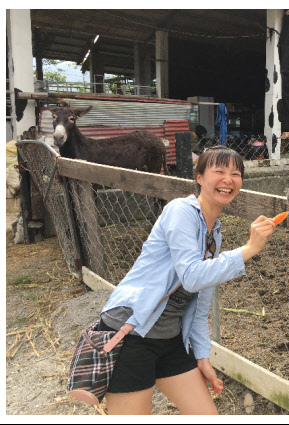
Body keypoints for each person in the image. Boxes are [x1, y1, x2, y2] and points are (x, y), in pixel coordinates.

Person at [98, 146, 276, 415]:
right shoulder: (180, 210)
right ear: (200, 178)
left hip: (170, 340)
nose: (228, 179)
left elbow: (200, 303)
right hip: (131, 335)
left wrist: (202, 356)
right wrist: (249, 249)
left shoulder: (214, 233)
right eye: (219, 171)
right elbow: (192, 278)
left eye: (236, 173)